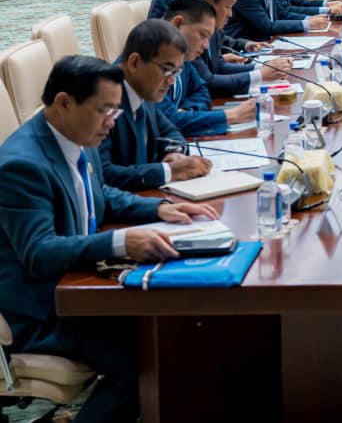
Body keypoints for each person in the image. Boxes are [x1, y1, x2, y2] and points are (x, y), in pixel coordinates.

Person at [0, 56, 217, 423]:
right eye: (105, 110)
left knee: (174, 329)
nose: (112, 122)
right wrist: (120, 241)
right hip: (41, 310)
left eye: (116, 111)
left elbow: (98, 194)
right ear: (64, 102)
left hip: (79, 286)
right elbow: (39, 252)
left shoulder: (78, 136)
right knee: (141, 362)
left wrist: (159, 208)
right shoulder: (22, 165)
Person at [98, 20, 212, 190]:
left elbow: (170, 131)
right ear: (134, 63)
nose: (171, 80)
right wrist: (168, 171)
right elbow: (102, 175)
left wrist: (174, 153)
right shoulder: (103, 102)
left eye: (176, 72)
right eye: (167, 69)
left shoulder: (144, 91)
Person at [159, 0, 256, 137]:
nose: (205, 45)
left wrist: (190, 111)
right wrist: (231, 116)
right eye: (202, 35)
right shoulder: (150, 59)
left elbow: (202, 89)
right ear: (178, 24)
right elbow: (166, 121)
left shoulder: (183, 55)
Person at [189, 0, 286, 98]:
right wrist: (260, 75)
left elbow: (219, 65)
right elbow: (208, 82)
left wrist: (262, 67)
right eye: (227, 7)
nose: (230, 14)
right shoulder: (188, 35)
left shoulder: (213, 28)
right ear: (208, 2)